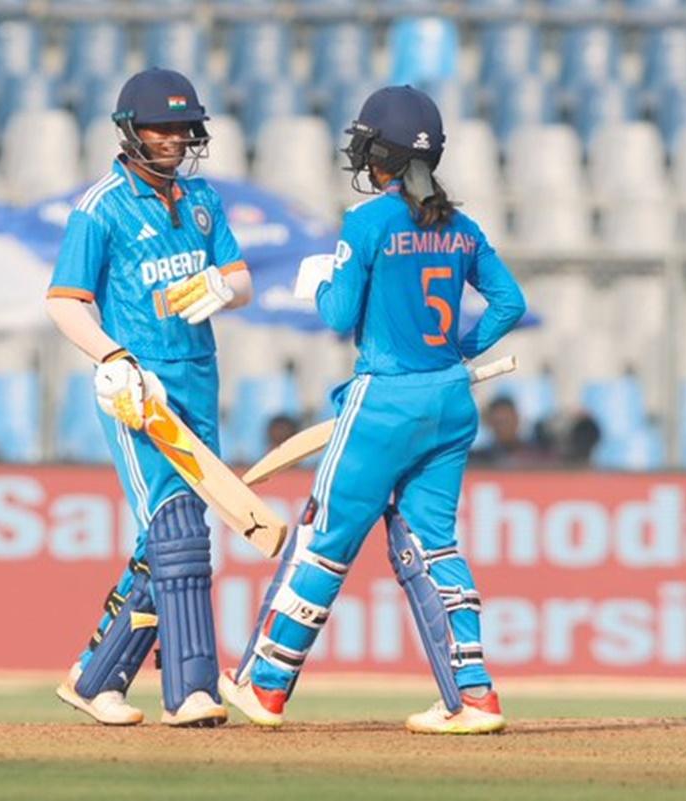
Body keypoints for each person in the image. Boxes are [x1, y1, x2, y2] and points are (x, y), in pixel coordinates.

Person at [219, 85, 526, 734]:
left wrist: (321, 280)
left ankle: (264, 685)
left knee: (323, 536)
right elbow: (509, 303)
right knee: (438, 545)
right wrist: (455, 349)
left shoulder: (366, 224)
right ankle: (474, 696)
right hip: (450, 399)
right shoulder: (462, 227)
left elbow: (336, 316)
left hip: (383, 399)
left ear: (381, 155)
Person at [44, 67, 253, 727]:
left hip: (200, 374)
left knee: (169, 540)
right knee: (178, 531)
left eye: (183, 126)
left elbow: (241, 275)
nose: (174, 138)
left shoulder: (200, 199)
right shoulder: (99, 206)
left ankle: (96, 675)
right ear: (131, 129)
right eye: (162, 126)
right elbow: (64, 303)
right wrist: (114, 358)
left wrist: (225, 289)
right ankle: (191, 689)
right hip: (142, 388)